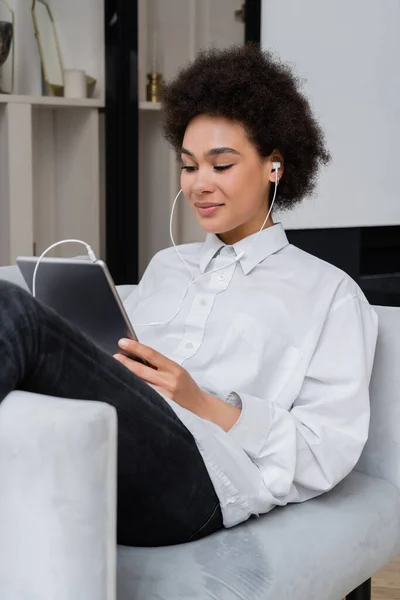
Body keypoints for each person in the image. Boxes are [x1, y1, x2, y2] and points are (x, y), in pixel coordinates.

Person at [0, 44, 378, 548]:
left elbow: (324, 451)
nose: (200, 184)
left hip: (202, 482)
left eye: (221, 166)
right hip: (108, 444)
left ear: (275, 167)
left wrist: (198, 400)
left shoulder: (330, 294)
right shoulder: (167, 266)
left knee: (12, 309)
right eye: (189, 166)